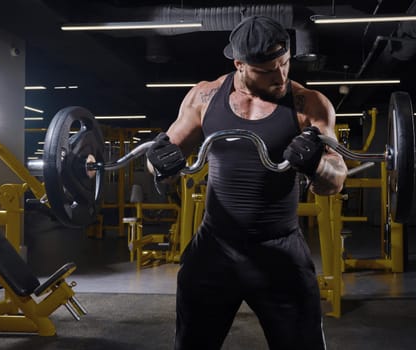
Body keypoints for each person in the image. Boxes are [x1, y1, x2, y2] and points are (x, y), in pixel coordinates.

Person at [146, 15, 348, 350]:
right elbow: (165, 161)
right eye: (267, 70)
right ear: (240, 65)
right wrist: (157, 164)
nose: (280, 76)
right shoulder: (204, 97)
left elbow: (335, 180)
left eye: (284, 64)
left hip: (279, 251)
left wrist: (316, 165)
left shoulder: (308, 105)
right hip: (215, 248)